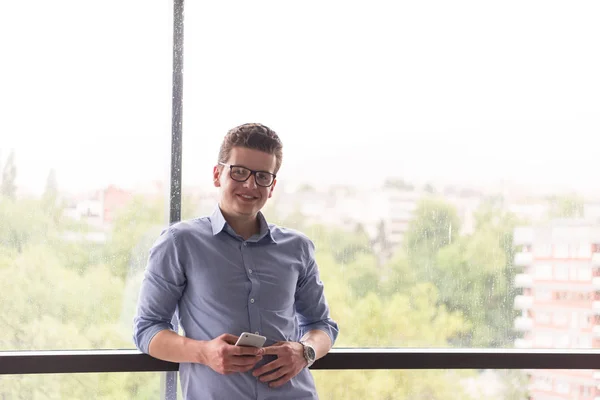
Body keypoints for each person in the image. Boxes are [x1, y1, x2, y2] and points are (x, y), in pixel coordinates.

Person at [133, 123, 339, 399]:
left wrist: (305, 351)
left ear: (272, 185)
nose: (250, 185)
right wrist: (204, 353)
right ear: (218, 175)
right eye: (239, 172)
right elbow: (147, 329)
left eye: (263, 176)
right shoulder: (179, 242)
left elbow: (322, 325)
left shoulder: (297, 247)